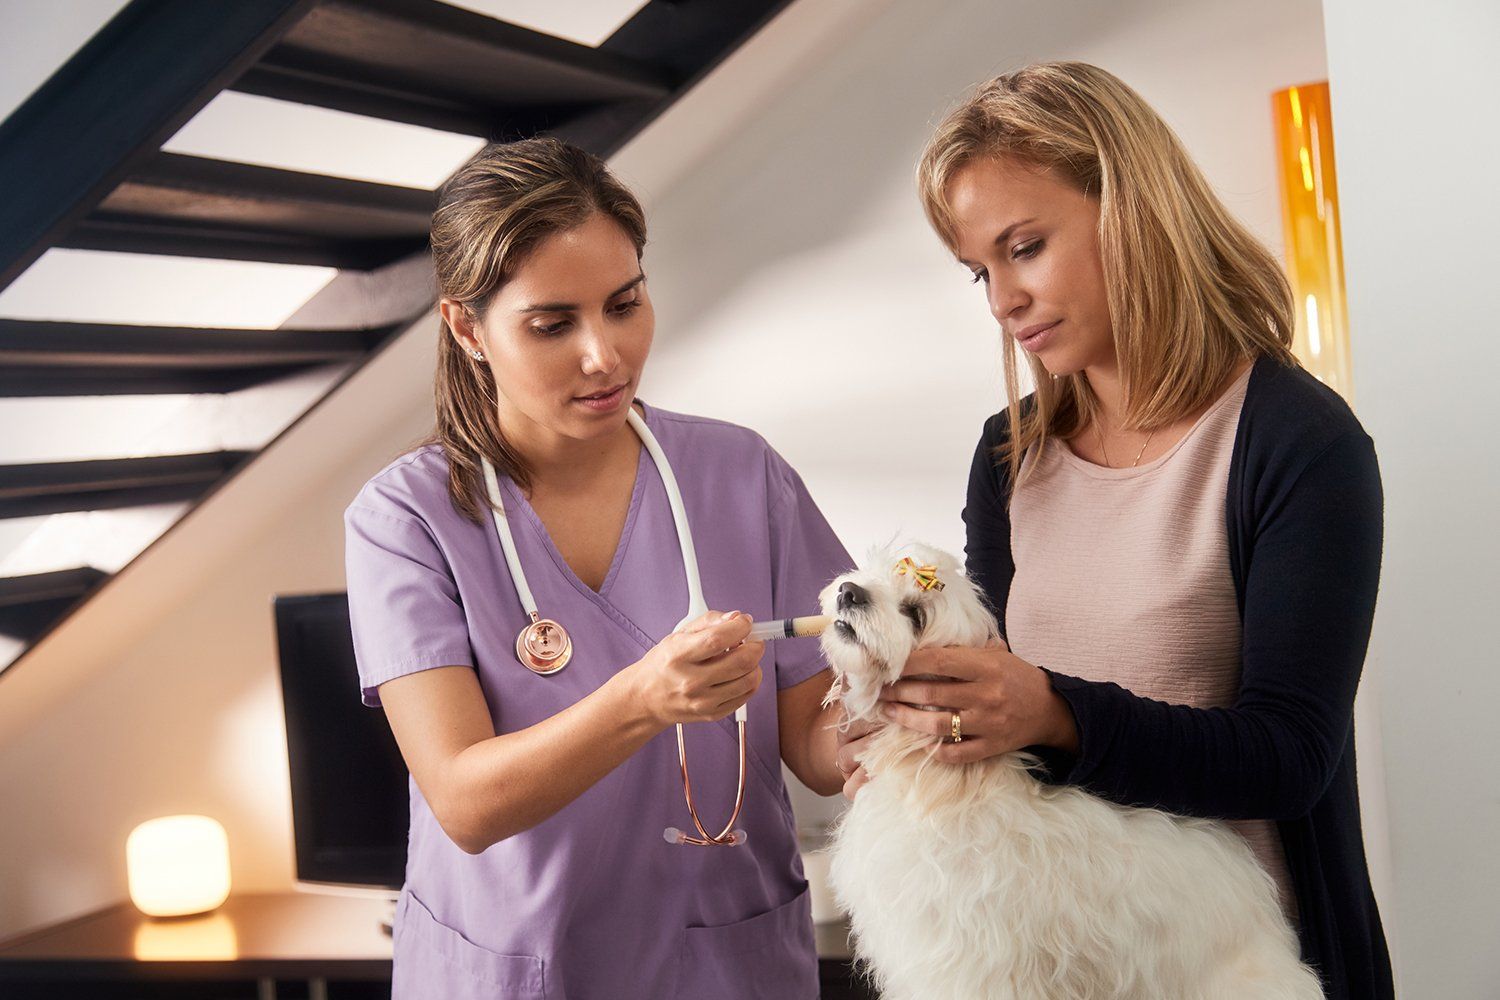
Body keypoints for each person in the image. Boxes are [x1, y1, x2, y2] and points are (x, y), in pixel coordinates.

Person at [835, 62, 1392, 999]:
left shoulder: (1298, 444)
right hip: (1063, 963)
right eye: (981, 270)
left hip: (1239, 965)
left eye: (1026, 247)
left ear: (1132, 209)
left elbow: (1290, 759)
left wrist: (1051, 710)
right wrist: (930, 738)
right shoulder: (1010, 454)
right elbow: (1002, 706)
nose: (1003, 301)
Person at [343, 137, 850, 1000]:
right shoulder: (406, 519)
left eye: (624, 305)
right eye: (553, 324)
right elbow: (466, 801)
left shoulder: (740, 474)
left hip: (726, 965)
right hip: (518, 971)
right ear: (468, 327)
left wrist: (908, 734)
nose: (603, 355)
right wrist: (646, 698)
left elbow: (813, 739)